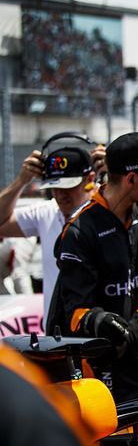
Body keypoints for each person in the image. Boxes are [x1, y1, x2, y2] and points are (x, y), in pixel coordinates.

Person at [48, 131, 138, 404]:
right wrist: (106, 323)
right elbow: (74, 311)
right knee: (110, 442)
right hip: (94, 362)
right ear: (132, 179)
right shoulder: (79, 230)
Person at [0, 137, 97, 322]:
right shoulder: (46, 212)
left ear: (90, 179)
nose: (60, 194)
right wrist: (22, 180)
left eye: (68, 186)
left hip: (99, 332)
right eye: (54, 186)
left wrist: (116, 175)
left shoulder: (111, 208)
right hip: (55, 334)